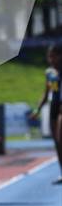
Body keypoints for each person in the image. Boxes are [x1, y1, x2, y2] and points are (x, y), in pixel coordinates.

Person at [31, 44, 62, 184]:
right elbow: (47, 92)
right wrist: (37, 109)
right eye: (49, 56)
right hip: (54, 107)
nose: (51, 59)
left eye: (53, 56)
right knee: (57, 143)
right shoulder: (50, 73)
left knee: (61, 139)